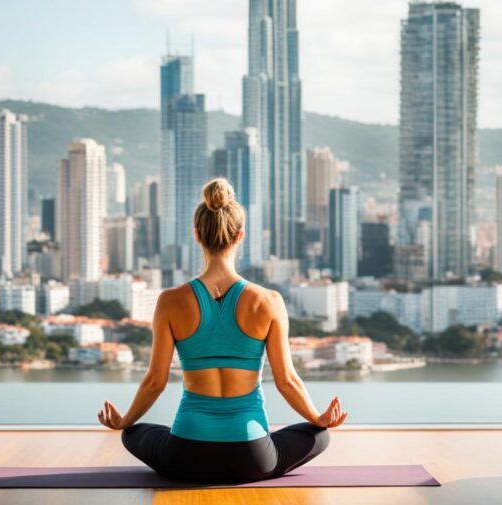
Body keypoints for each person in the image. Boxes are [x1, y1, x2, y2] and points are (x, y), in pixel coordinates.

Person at [98, 177, 348, 483]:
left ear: (197, 235)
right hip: (253, 457)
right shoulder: (269, 301)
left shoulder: (169, 301)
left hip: (185, 456)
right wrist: (317, 418)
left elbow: (154, 382)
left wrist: (125, 420)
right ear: (240, 235)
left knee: (133, 433)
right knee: (320, 435)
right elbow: (286, 381)